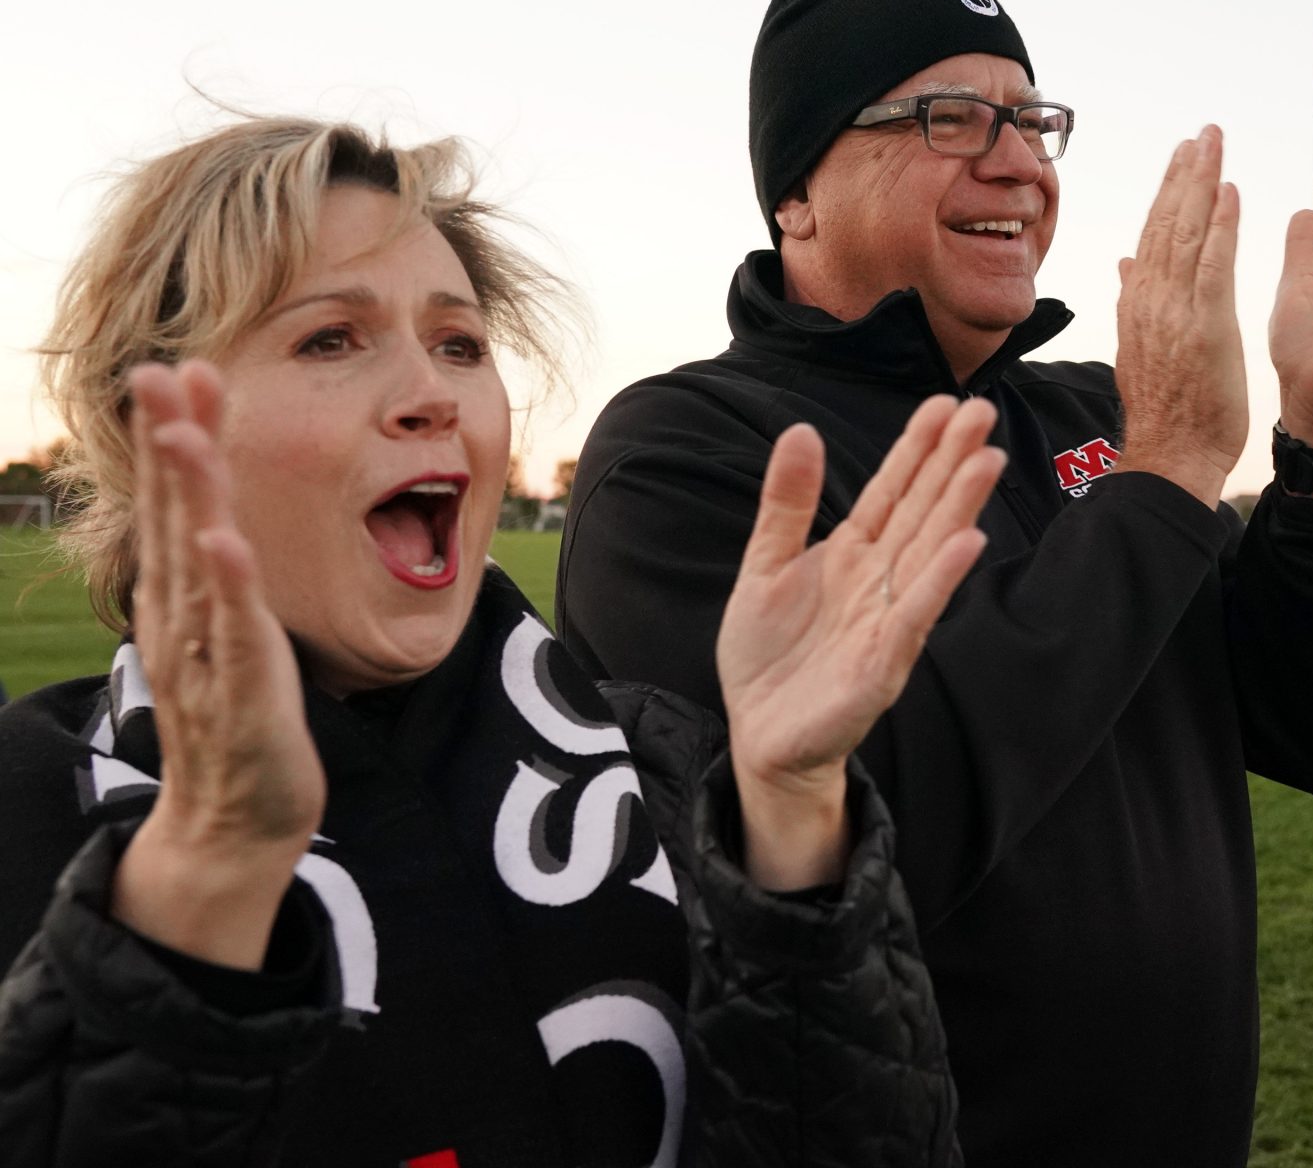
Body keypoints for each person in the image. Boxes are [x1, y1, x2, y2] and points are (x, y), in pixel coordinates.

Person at [557, 0, 1313, 1165]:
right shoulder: (693, 453)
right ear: (795, 189)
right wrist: (1160, 474)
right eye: (950, 117)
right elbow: (857, 836)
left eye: (1033, 120)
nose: (1019, 162)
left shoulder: (1095, 418)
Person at [0, 116, 996, 1166]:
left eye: (459, 343)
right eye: (330, 337)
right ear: (155, 429)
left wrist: (794, 802)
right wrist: (205, 884)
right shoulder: (30, 801)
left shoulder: (670, 763)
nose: (434, 394)